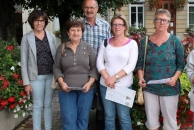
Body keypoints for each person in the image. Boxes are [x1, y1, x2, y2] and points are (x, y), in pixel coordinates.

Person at [136, 9, 185, 130]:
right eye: (159, 19)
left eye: (165, 20)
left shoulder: (175, 41)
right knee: (152, 123)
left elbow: (181, 64)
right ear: (154, 22)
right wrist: (141, 78)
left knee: (170, 123)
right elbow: (140, 63)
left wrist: (174, 78)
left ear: (169, 23)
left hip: (170, 88)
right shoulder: (145, 41)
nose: (162, 22)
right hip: (150, 88)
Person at [53, 20, 98, 130]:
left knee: (83, 118)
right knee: (68, 118)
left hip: (86, 90)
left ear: (82, 32)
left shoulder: (88, 47)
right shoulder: (62, 48)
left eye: (78, 30)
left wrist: (90, 83)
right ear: (68, 32)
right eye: (72, 30)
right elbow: (56, 67)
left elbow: (94, 67)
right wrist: (61, 83)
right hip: (66, 90)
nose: (76, 33)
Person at [96, 13, 138, 130]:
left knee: (124, 116)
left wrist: (114, 78)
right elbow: (99, 62)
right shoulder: (105, 42)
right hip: (106, 85)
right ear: (111, 27)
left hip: (123, 86)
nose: (117, 27)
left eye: (120, 24)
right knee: (109, 116)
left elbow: (131, 65)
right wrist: (107, 78)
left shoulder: (132, 44)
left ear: (125, 27)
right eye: (114, 24)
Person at [20, 10, 56, 130]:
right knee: (37, 105)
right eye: (36, 20)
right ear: (32, 21)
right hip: (36, 77)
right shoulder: (26, 38)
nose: (39, 23)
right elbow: (24, 62)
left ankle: (48, 128)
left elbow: (55, 56)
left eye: (42, 20)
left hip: (50, 76)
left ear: (45, 22)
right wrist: (26, 83)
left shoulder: (51, 36)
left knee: (48, 105)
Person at [81, 0, 111, 129]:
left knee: (102, 99)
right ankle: (84, 124)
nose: (89, 10)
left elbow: (110, 46)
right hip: (83, 70)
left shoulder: (105, 25)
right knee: (84, 99)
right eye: (86, 7)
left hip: (102, 69)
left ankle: (100, 124)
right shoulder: (78, 26)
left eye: (92, 7)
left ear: (97, 9)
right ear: (83, 9)